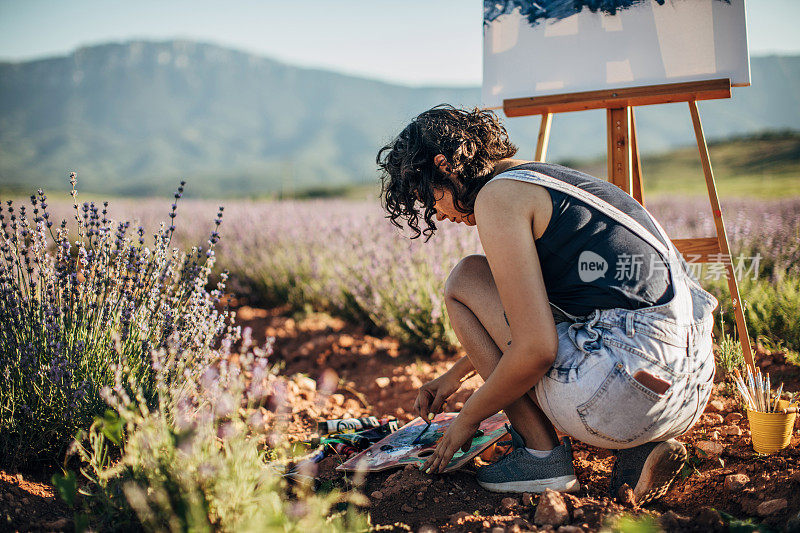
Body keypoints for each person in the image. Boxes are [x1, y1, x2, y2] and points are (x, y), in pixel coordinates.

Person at [375, 105, 718, 504]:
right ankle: (638, 448)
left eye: (428, 196)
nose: (438, 213)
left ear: (445, 165)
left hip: (619, 391)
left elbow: (535, 348)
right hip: (686, 391)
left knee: (465, 278)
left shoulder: (497, 198)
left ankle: (541, 457)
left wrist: (468, 419)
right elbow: (546, 310)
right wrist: (456, 376)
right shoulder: (548, 180)